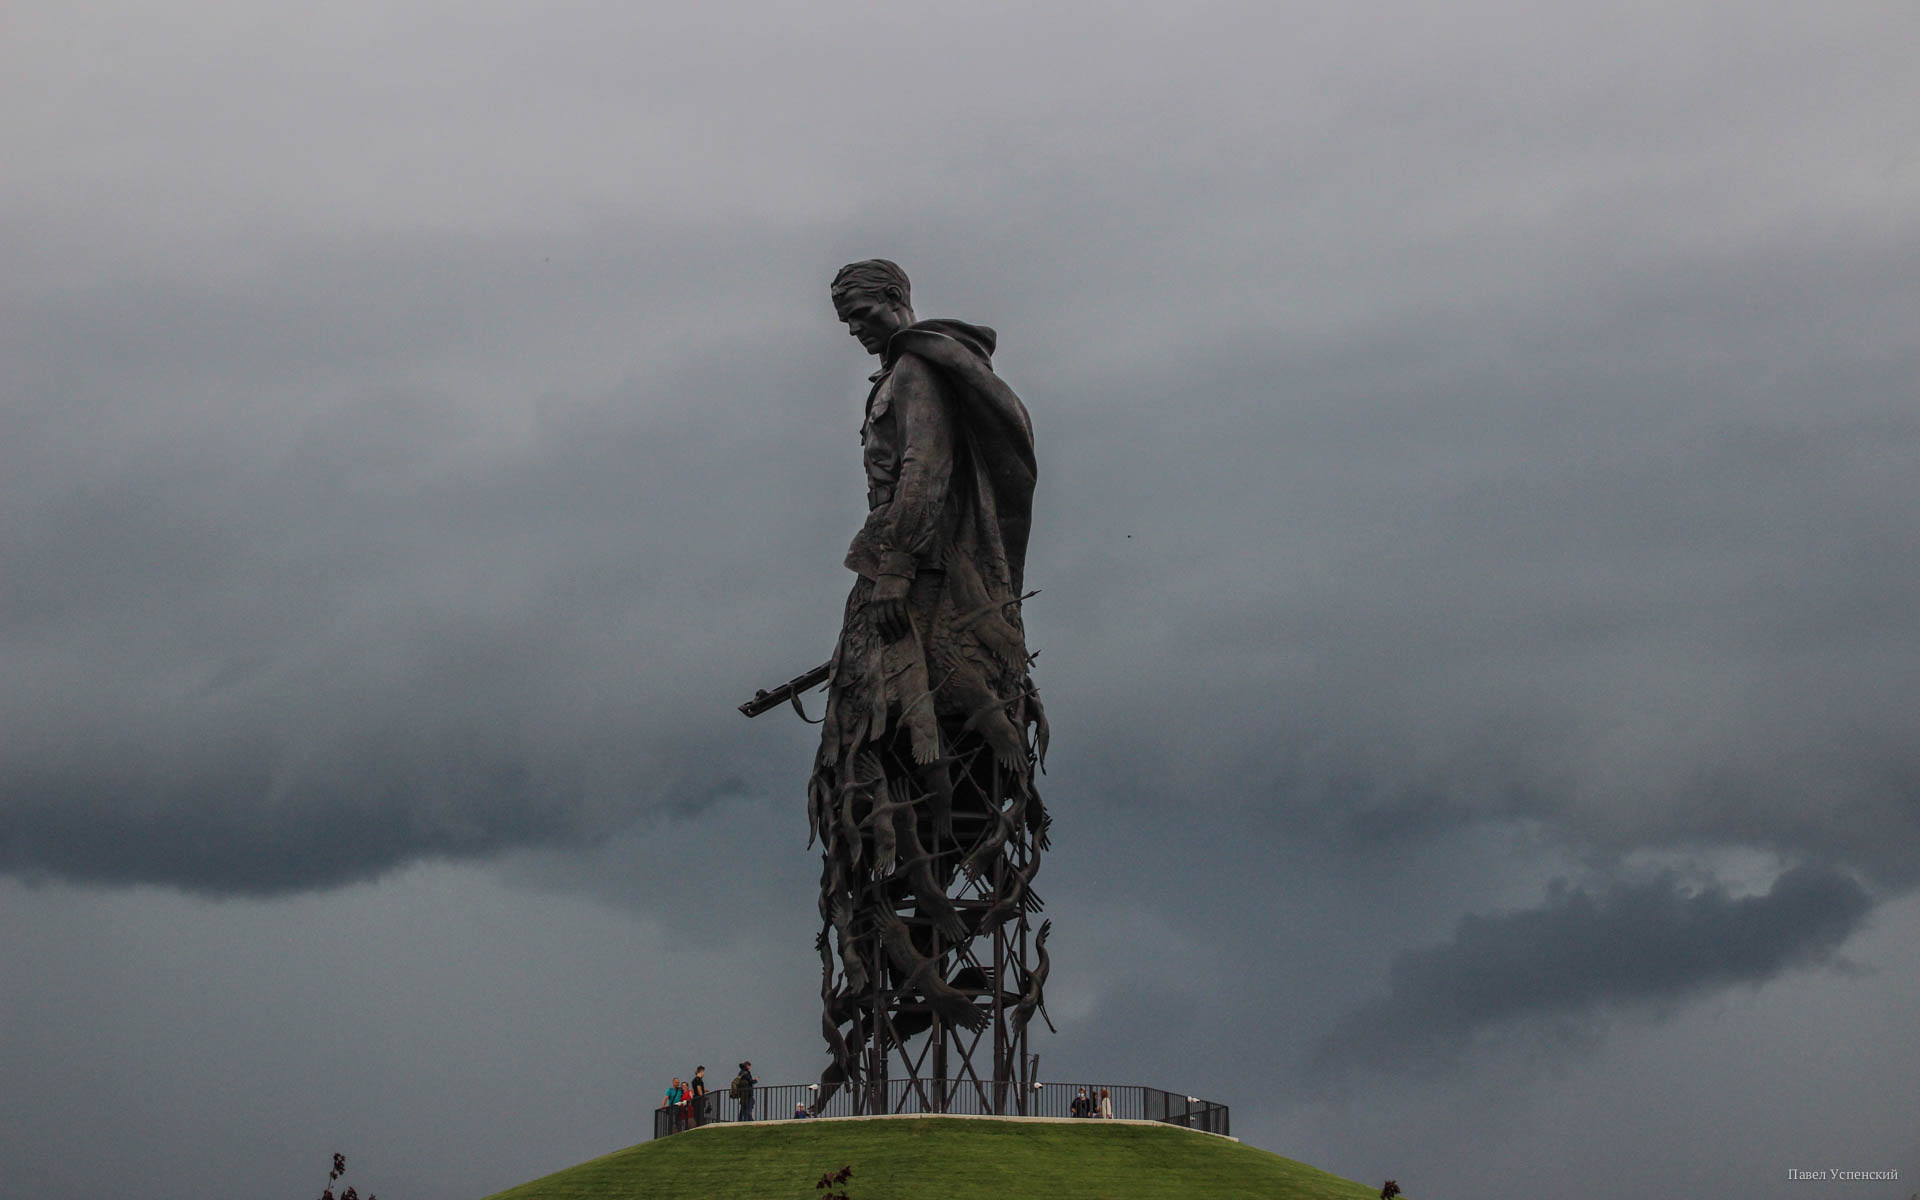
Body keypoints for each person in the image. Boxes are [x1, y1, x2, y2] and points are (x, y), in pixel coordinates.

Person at [810, 259, 1049, 1092]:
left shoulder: (918, 371)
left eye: (864, 310)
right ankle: (917, 971)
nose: (858, 328)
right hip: (912, 596)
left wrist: (888, 574)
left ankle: (927, 962)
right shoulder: (910, 371)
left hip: (917, 604)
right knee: (881, 792)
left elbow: (925, 473)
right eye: (847, 320)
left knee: (885, 770)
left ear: (897, 301)